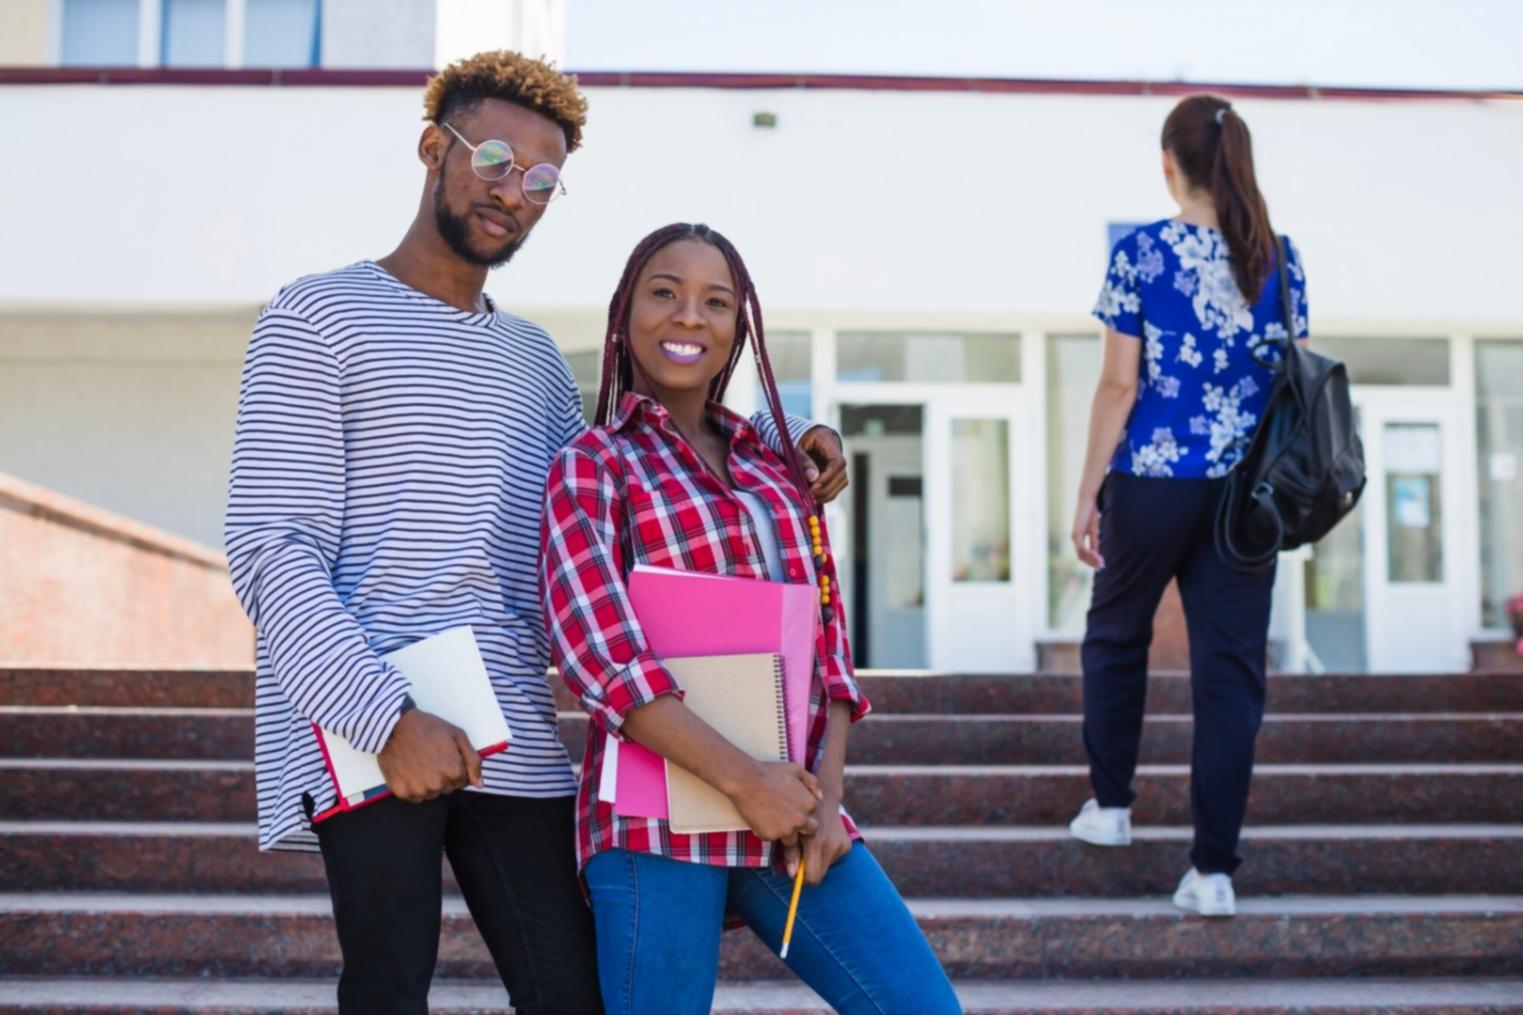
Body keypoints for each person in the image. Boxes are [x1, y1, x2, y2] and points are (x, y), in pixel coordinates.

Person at [224, 54, 848, 1015]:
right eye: (497, 159)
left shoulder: (533, 365)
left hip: (509, 716)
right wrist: (385, 716)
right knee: (388, 988)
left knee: (570, 994)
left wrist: (784, 440)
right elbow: (271, 547)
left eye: (544, 179)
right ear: (436, 149)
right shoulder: (318, 316)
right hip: (366, 718)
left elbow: (646, 446)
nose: (516, 191)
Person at [541, 223, 962, 1014]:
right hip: (654, 820)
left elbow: (827, 645)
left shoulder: (776, 469)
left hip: (791, 805)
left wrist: (823, 798)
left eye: (716, 301)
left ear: (741, 325)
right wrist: (748, 781)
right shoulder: (593, 463)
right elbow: (599, 656)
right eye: (664, 293)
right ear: (624, 312)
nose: (689, 317)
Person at [1067, 94, 1309, 918]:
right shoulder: (1279, 256)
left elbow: (1117, 384)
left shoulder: (1143, 252)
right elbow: (1295, 385)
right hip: (1246, 498)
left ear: (1168, 164)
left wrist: (1086, 488)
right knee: (1230, 673)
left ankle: (1111, 807)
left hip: (1153, 479)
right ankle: (1212, 872)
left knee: (1115, 633)